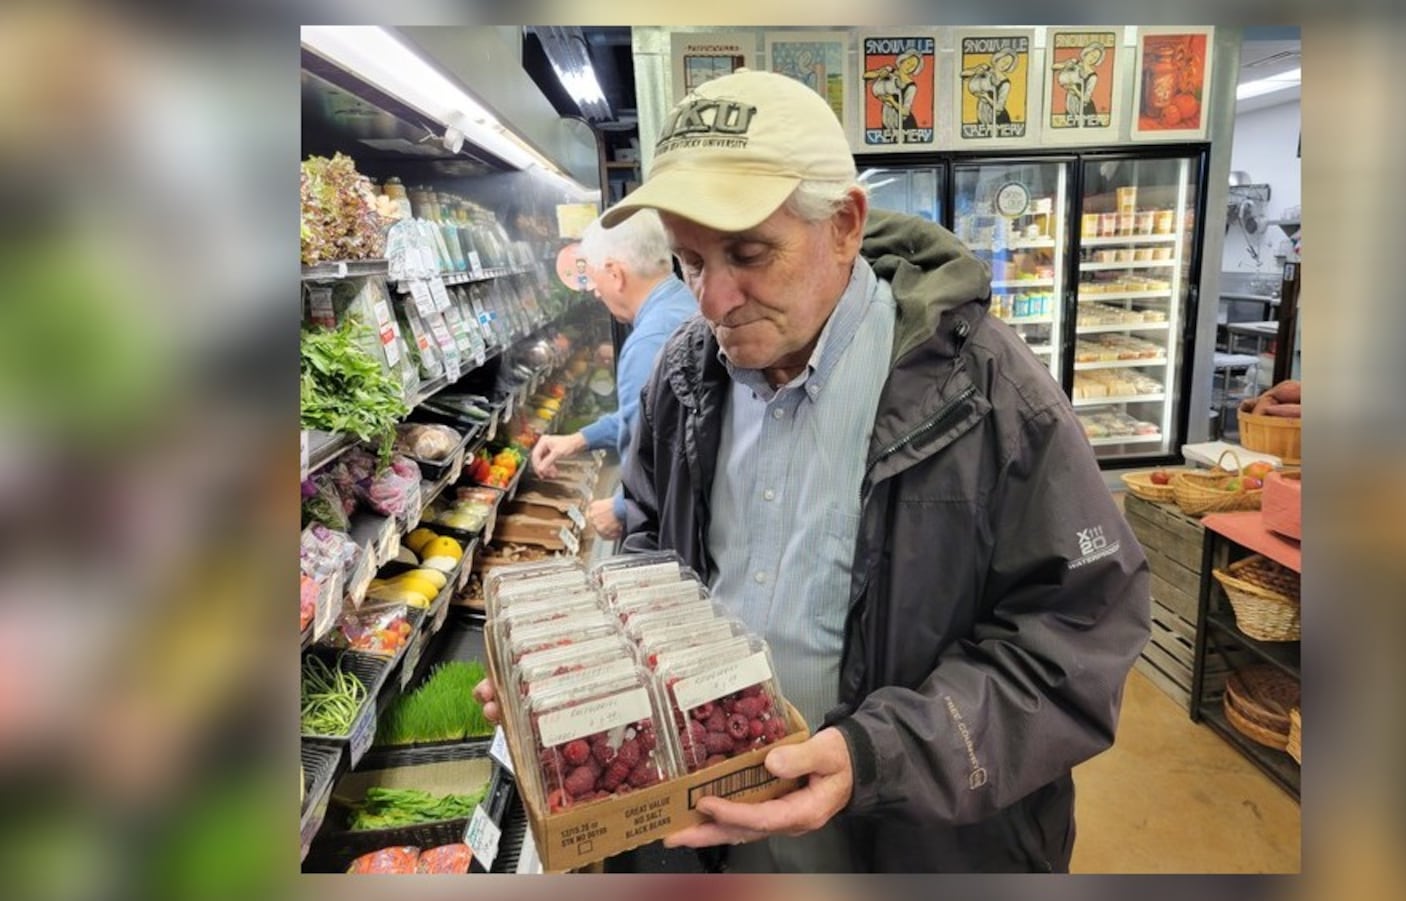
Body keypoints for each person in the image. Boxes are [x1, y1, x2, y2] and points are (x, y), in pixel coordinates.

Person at [477, 70, 1149, 873]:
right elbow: (653, 546)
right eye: (691, 260)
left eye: (749, 253)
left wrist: (875, 755)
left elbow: (1074, 634)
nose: (714, 298)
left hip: (912, 849)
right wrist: (589, 678)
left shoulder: (992, 398)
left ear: (845, 225)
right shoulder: (685, 376)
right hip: (710, 845)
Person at [527, 210, 698, 539]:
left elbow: (662, 457)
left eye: (594, 279)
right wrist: (580, 439)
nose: (594, 292)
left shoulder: (649, 343)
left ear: (615, 274)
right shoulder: (682, 301)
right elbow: (655, 418)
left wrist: (621, 508)